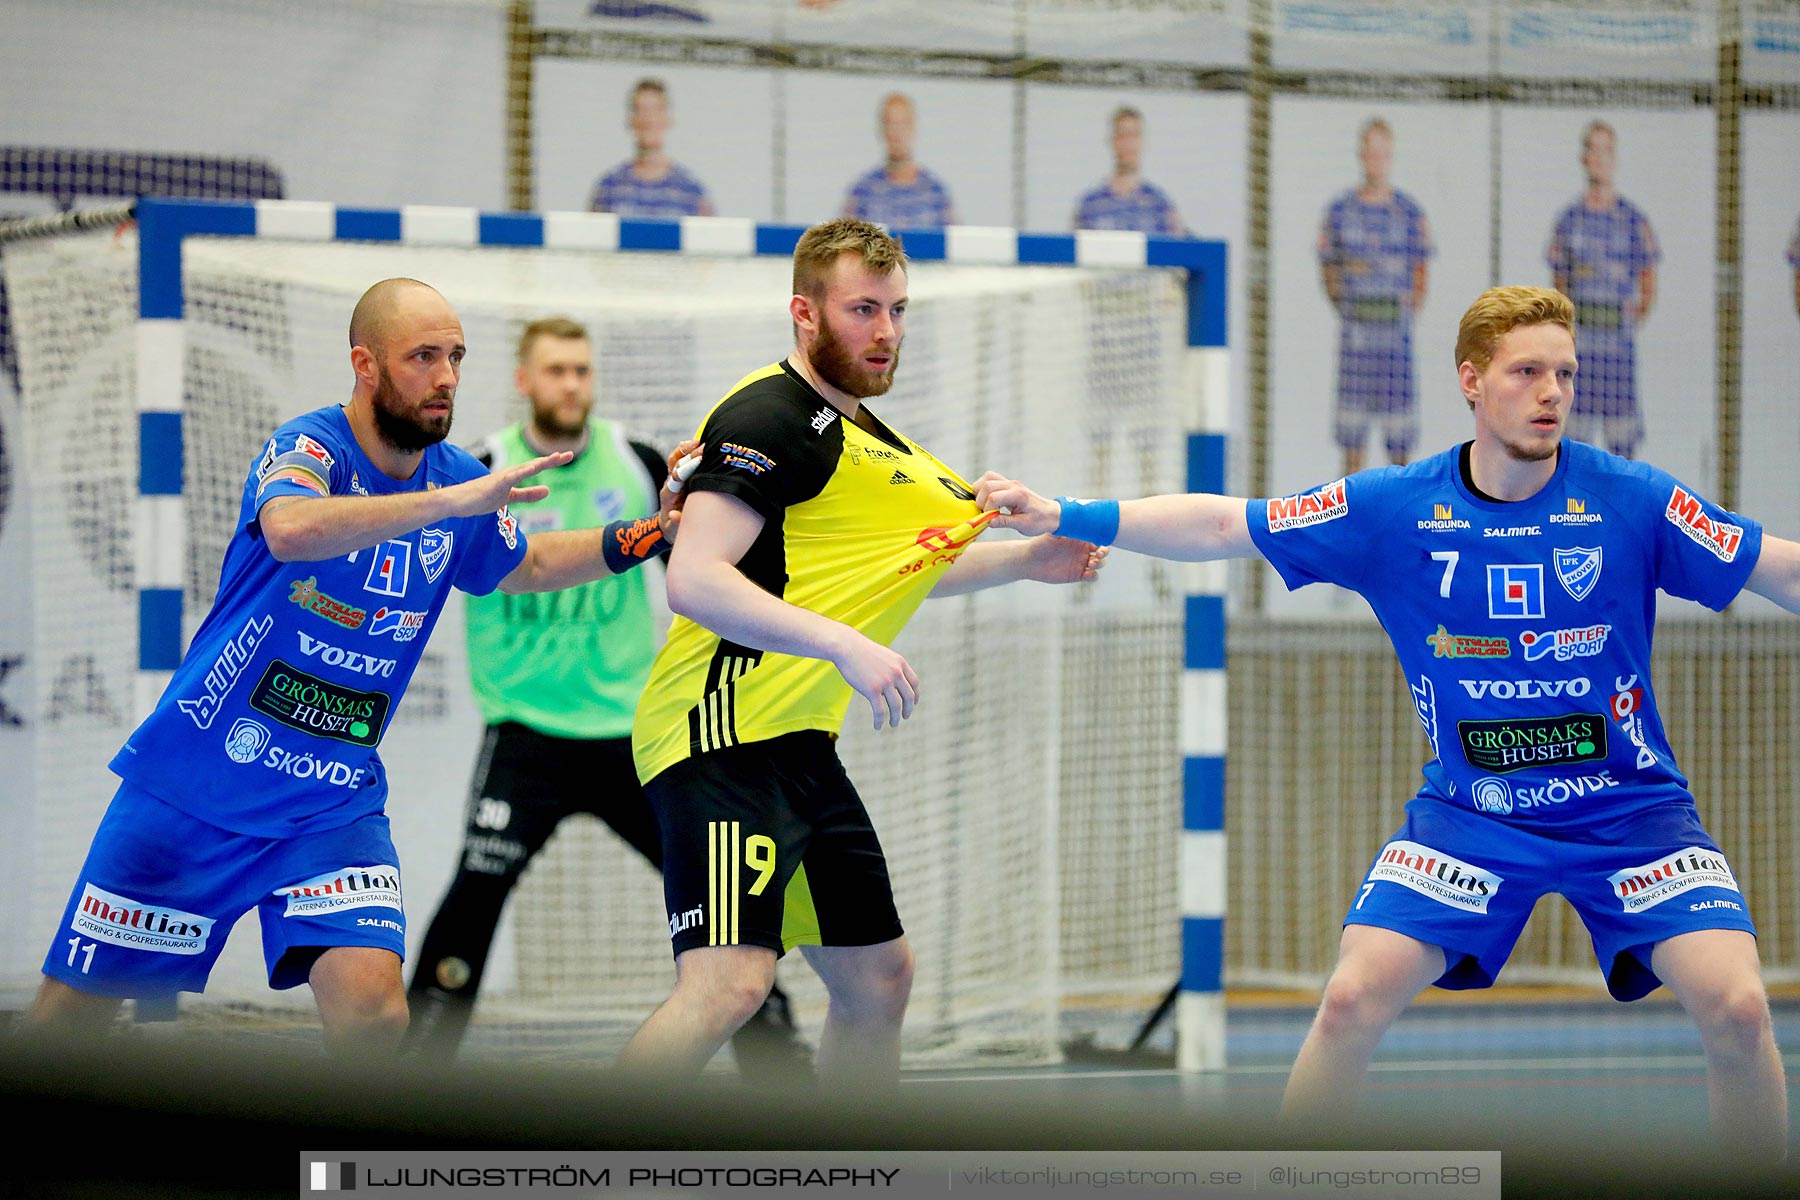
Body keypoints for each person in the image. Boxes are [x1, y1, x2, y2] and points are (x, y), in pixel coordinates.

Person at [976, 285, 1798, 1162]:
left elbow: (1776, 567)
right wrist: (1066, 513)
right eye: (1527, 371)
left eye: (1565, 371)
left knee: (1742, 1009)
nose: (1552, 390)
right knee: (1348, 1001)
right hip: (1472, 818)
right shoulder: (1394, 507)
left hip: (1633, 818)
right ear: (1472, 381)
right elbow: (1225, 522)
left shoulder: (1631, 499)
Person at [29, 279, 692, 1056]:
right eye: (422, 357)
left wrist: (645, 534)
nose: (446, 376)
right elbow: (291, 528)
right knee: (65, 1027)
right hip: (197, 785)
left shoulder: (453, 476)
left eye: (455, 357)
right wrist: (444, 504)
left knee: (376, 1016)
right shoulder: (310, 447)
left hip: (329, 801)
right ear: (365, 364)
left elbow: (531, 560)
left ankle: (353, 1175)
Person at [616, 218, 1105, 1088]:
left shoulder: (866, 438)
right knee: (729, 983)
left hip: (798, 743)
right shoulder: (768, 417)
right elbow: (694, 579)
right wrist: (845, 646)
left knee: (880, 978)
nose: (886, 332)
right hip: (718, 737)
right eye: (863, 310)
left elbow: (898, 574)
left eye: (898, 310)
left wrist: (1028, 560)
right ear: (806, 313)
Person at [403, 316, 809, 1077]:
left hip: (634, 735)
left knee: (724, 903)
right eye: (555, 370)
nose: (571, 384)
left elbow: (699, 583)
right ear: (524, 381)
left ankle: (786, 1076)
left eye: (582, 370)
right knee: (473, 898)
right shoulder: (481, 469)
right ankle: (403, 1087)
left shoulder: (638, 463)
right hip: (525, 736)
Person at [1318, 116, 1433, 475]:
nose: (1376, 159)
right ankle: (1349, 525)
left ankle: (1398, 525)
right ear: (1361, 155)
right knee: (1352, 445)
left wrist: (1399, 314)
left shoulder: (1410, 213)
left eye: (1383, 152)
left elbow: (1420, 274)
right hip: (1355, 344)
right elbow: (1329, 271)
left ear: (1391, 156)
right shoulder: (1339, 212)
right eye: (1370, 152)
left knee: (1399, 446)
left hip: (1394, 346)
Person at [1547, 120, 1659, 459]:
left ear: (1615, 157)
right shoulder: (1569, 221)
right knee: (1571, 447)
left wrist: (1624, 322)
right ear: (1583, 158)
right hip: (1580, 354)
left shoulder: (1633, 221)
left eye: (1606, 150)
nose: (1599, 158)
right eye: (1592, 150)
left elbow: (1647, 282)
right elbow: (1559, 287)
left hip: (1618, 355)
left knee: (1623, 448)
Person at [588, 78, 715, 219]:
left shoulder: (691, 191)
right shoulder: (609, 188)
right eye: (641, 111)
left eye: (656, 111)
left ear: (668, 119)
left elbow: (710, 238)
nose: (649, 120)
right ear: (630, 121)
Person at [840, 93, 957, 230]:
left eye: (902, 124)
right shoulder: (862, 192)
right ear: (881, 130)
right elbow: (843, 243)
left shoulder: (935, 193)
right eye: (890, 124)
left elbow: (953, 244)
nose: (896, 133)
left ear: (913, 127)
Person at [1072, 106, 1185, 236]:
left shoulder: (1160, 205)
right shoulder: (1089, 206)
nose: (1128, 143)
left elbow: (1180, 251)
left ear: (1143, 142)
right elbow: (1071, 253)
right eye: (1122, 135)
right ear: (1112, 141)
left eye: (1134, 135)